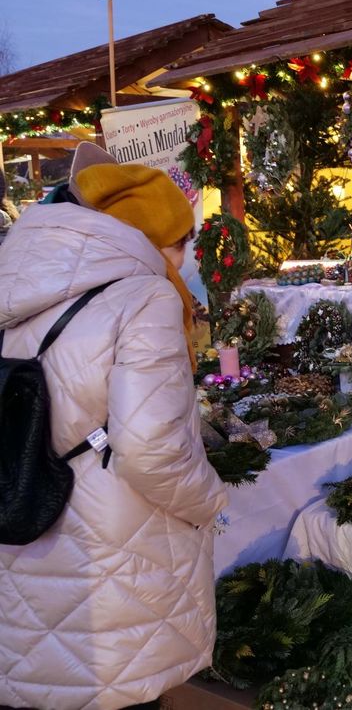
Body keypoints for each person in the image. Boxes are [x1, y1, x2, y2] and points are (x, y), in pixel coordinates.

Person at [0, 160, 228, 710]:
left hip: (17, 526)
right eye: (180, 240)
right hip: (110, 557)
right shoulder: (143, 298)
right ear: (144, 234)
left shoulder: (13, 277)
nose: (184, 256)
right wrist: (209, 501)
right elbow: (152, 450)